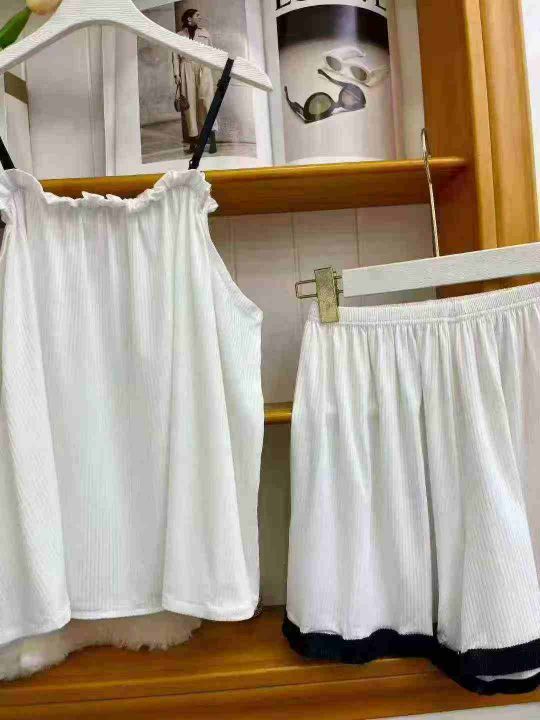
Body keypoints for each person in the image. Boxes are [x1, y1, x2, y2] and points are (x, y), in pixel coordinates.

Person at [172, 9, 217, 154]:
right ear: (189, 19)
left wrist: (210, 67)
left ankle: (212, 139)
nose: (200, 17)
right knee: (189, 106)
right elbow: (175, 56)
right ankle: (193, 142)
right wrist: (176, 74)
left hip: (203, 68)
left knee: (207, 103)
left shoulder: (205, 33)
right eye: (197, 15)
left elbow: (212, 52)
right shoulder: (178, 36)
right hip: (186, 67)